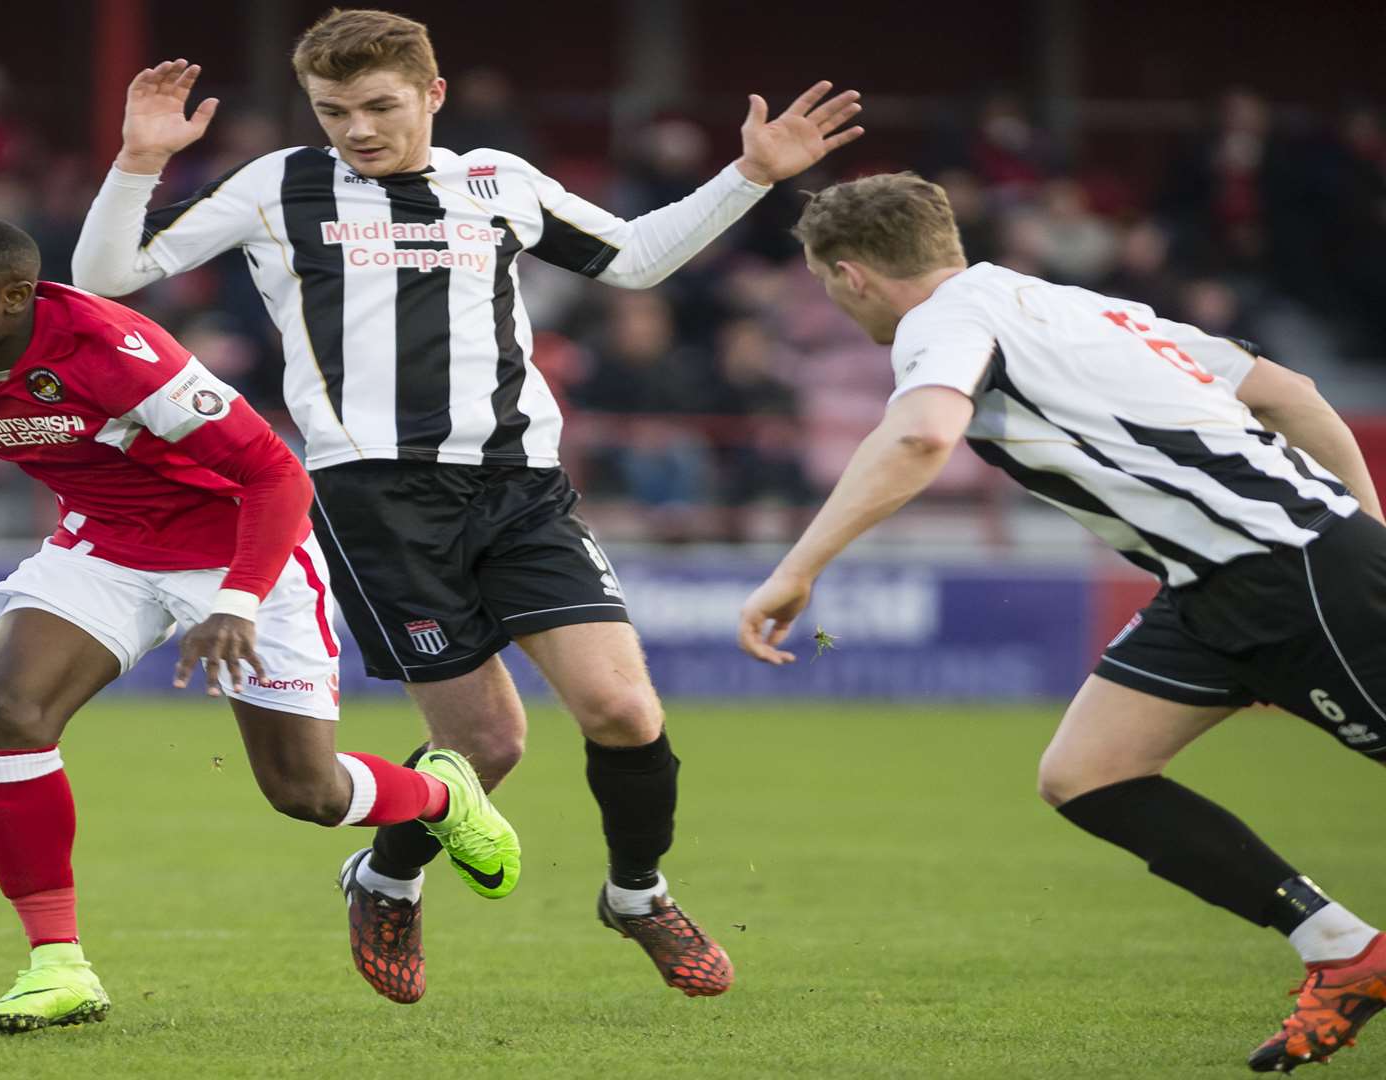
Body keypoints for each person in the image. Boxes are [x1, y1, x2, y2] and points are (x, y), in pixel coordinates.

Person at [71, 8, 862, 1001]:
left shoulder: (497, 181)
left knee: (621, 708)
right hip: (373, 498)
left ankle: (635, 892)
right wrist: (140, 161)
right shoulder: (281, 184)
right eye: (332, 110)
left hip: (519, 486)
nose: (355, 129)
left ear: (432, 95)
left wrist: (750, 174)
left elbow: (636, 260)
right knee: (488, 744)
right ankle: (389, 876)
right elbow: (104, 280)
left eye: (379, 106)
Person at [0, 215, 518, 1033]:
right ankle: (58, 967)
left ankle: (443, 796)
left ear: (14, 298)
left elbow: (274, 473)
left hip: (236, 545)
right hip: (104, 546)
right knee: (8, 714)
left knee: (306, 792)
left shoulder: (112, 352)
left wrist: (236, 600)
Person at [737, 172, 1386, 1073]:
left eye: (824, 286)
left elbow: (923, 436)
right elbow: (1288, 392)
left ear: (849, 275)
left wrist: (795, 568)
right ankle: (1344, 951)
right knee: (1088, 773)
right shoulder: (1071, 302)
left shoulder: (942, 323)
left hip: (1289, 567)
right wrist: (1366, 525)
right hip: (1217, 584)